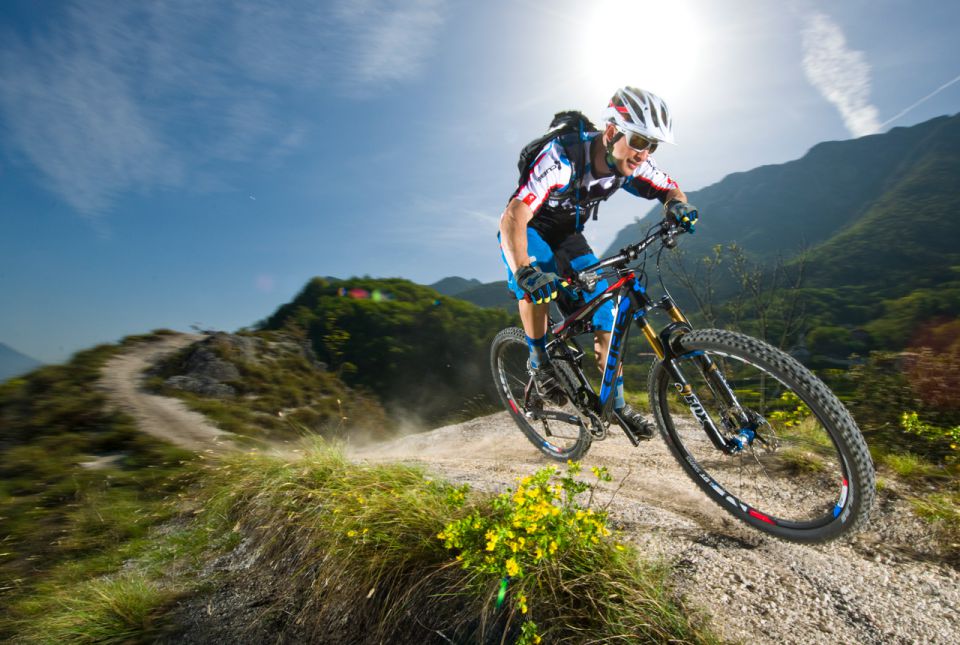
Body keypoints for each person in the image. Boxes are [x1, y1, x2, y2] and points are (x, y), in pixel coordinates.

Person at [497, 86, 698, 440]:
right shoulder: (560, 159)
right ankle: (540, 361)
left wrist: (677, 206)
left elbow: (671, 188)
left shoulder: (633, 163)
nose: (643, 153)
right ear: (611, 132)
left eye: (652, 145)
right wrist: (524, 271)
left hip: (568, 235)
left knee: (608, 309)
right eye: (638, 140)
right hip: (530, 229)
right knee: (535, 284)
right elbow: (514, 215)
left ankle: (616, 405)